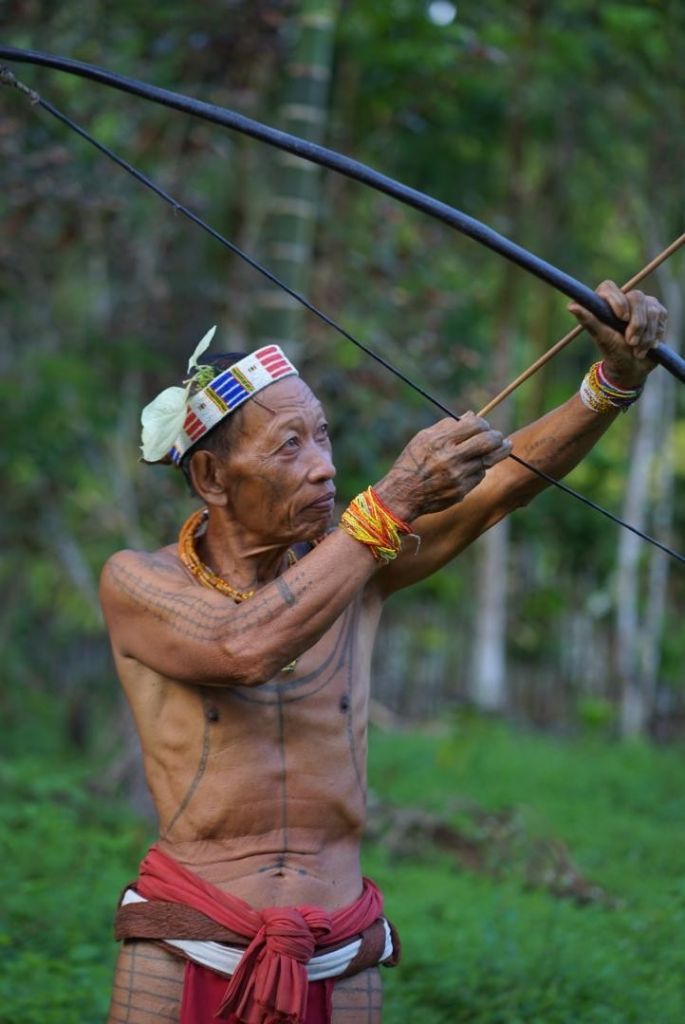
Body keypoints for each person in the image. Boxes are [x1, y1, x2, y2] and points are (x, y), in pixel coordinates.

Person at [100, 281, 666, 1024]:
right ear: (210, 478)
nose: (324, 467)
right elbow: (242, 648)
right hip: (187, 936)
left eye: (323, 435)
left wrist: (613, 383)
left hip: (339, 943)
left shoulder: (358, 560)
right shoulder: (138, 582)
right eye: (289, 445)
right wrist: (392, 501)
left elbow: (497, 489)